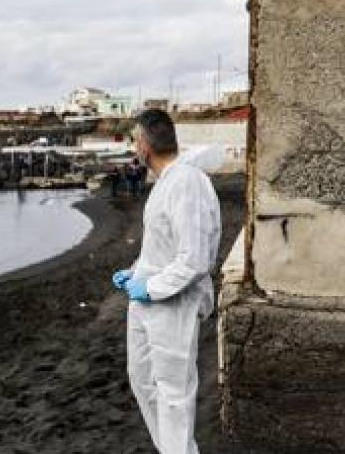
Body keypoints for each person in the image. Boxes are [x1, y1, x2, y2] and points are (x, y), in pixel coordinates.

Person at [111, 109, 221, 454]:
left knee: (174, 391)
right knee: (142, 380)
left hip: (173, 304)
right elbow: (162, 246)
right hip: (146, 303)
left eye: (134, 139)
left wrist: (152, 287)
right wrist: (135, 272)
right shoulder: (166, 183)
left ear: (144, 144)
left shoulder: (187, 182)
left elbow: (194, 258)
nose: (134, 147)